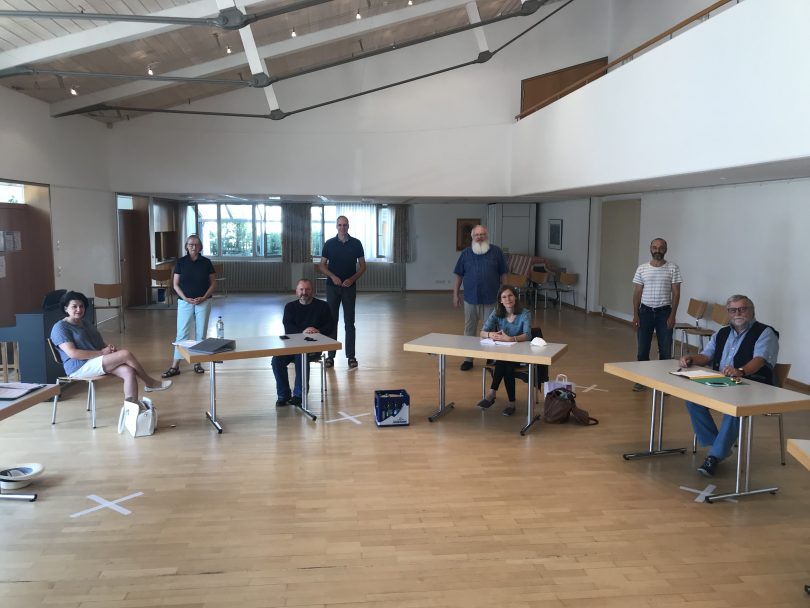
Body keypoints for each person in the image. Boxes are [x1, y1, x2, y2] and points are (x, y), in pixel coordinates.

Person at [678, 295, 779, 477]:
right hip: (724, 383)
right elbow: (706, 356)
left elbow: (759, 360)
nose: (738, 313)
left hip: (754, 384)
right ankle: (718, 444)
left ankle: (714, 456)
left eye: (742, 309)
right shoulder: (722, 333)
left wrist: (740, 371)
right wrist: (691, 359)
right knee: (692, 399)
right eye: (733, 310)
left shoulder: (765, 332)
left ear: (752, 311)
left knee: (735, 409)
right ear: (728, 313)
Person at [50, 290, 172, 402]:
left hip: (94, 361)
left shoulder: (85, 323)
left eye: (81, 306)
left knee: (128, 371)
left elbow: (98, 343)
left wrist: (108, 348)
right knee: (125, 354)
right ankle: (149, 382)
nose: (79, 309)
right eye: (74, 306)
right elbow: (73, 354)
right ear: (66, 308)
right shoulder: (60, 327)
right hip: (78, 367)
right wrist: (102, 353)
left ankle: (132, 408)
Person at [272, 279, 335, 407]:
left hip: (314, 347)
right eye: (301, 289)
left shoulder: (323, 306)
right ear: (296, 291)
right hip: (292, 346)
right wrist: (304, 332)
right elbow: (288, 328)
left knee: (301, 356)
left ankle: (299, 395)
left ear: (312, 291)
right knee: (276, 360)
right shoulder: (290, 307)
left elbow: (330, 326)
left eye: (307, 289)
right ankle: (283, 395)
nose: (304, 292)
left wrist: (318, 331)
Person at [453, 224, 507, 371]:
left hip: (491, 298)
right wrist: (455, 294)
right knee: (469, 329)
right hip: (470, 298)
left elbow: (503, 274)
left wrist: (506, 293)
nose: (479, 237)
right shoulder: (466, 253)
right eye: (477, 235)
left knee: (491, 329)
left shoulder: (496, 252)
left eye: (482, 234)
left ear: (486, 236)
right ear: (472, 237)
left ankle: (491, 358)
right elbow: (458, 275)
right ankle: (468, 359)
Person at [162, 233, 216, 377]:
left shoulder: (206, 262)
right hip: (185, 302)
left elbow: (213, 283)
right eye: (190, 244)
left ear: (200, 247)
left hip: (203, 302)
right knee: (182, 334)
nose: (193, 247)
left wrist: (204, 297)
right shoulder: (181, 262)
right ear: (186, 247)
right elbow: (175, 284)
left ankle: (198, 363)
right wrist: (185, 298)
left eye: (196, 244)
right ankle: (175, 366)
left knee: (201, 334)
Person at [631, 237, 682, 390]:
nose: (657, 250)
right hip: (645, 312)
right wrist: (636, 314)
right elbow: (637, 292)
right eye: (654, 247)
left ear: (666, 249)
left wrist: (672, 315)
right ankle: (642, 380)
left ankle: (663, 383)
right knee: (642, 350)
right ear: (650, 249)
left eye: (661, 248)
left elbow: (676, 293)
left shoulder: (673, 268)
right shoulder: (642, 268)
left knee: (665, 350)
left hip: (664, 313)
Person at [477, 285, 531, 416]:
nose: (508, 299)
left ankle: (492, 393)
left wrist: (510, 339)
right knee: (505, 362)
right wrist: (490, 334)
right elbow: (482, 332)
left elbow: (527, 335)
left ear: (515, 297)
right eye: (504, 297)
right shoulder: (497, 312)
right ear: (500, 300)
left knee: (505, 363)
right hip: (502, 353)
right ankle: (511, 403)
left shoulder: (525, 313)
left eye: (510, 295)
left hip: (520, 354)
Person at [319, 215, 365, 369]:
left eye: (345, 225)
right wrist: (332, 276)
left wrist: (352, 279)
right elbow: (322, 265)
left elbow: (363, 266)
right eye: (340, 225)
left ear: (348, 226)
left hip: (349, 288)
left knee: (349, 322)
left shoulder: (356, 243)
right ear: (336, 226)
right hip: (332, 288)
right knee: (332, 321)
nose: (342, 227)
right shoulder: (329, 244)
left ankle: (351, 356)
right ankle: (330, 356)